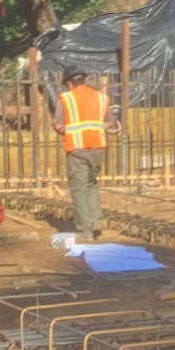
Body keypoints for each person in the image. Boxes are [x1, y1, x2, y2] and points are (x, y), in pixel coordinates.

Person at [53, 68, 116, 243]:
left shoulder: (66, 99)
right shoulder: (101, 98)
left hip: (77, 149)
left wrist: (66, 130)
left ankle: (85, 231)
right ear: (85, 81)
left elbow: (58, 125)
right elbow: (109, 123)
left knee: (79, 189)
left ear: (70, 83)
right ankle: (95, 223)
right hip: (98, 148)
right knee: (92, 185)